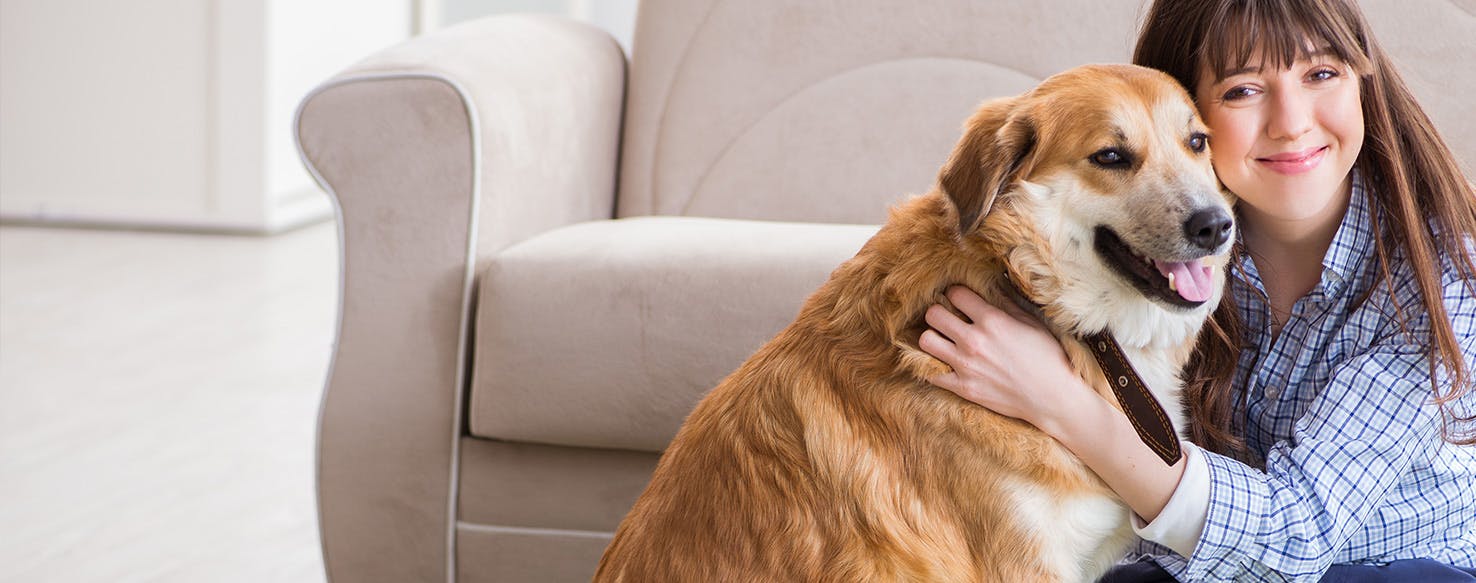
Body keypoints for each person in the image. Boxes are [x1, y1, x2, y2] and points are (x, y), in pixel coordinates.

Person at [917, 0, 1476, 580]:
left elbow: (1300, 535)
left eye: (1321, 74)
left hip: (1391, 569)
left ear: (1364, 83)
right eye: (1242, 90)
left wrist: (1058, 401)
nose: (1291, 121)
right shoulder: (1138, 253)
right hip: (1199, 566)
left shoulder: (1445, 281)